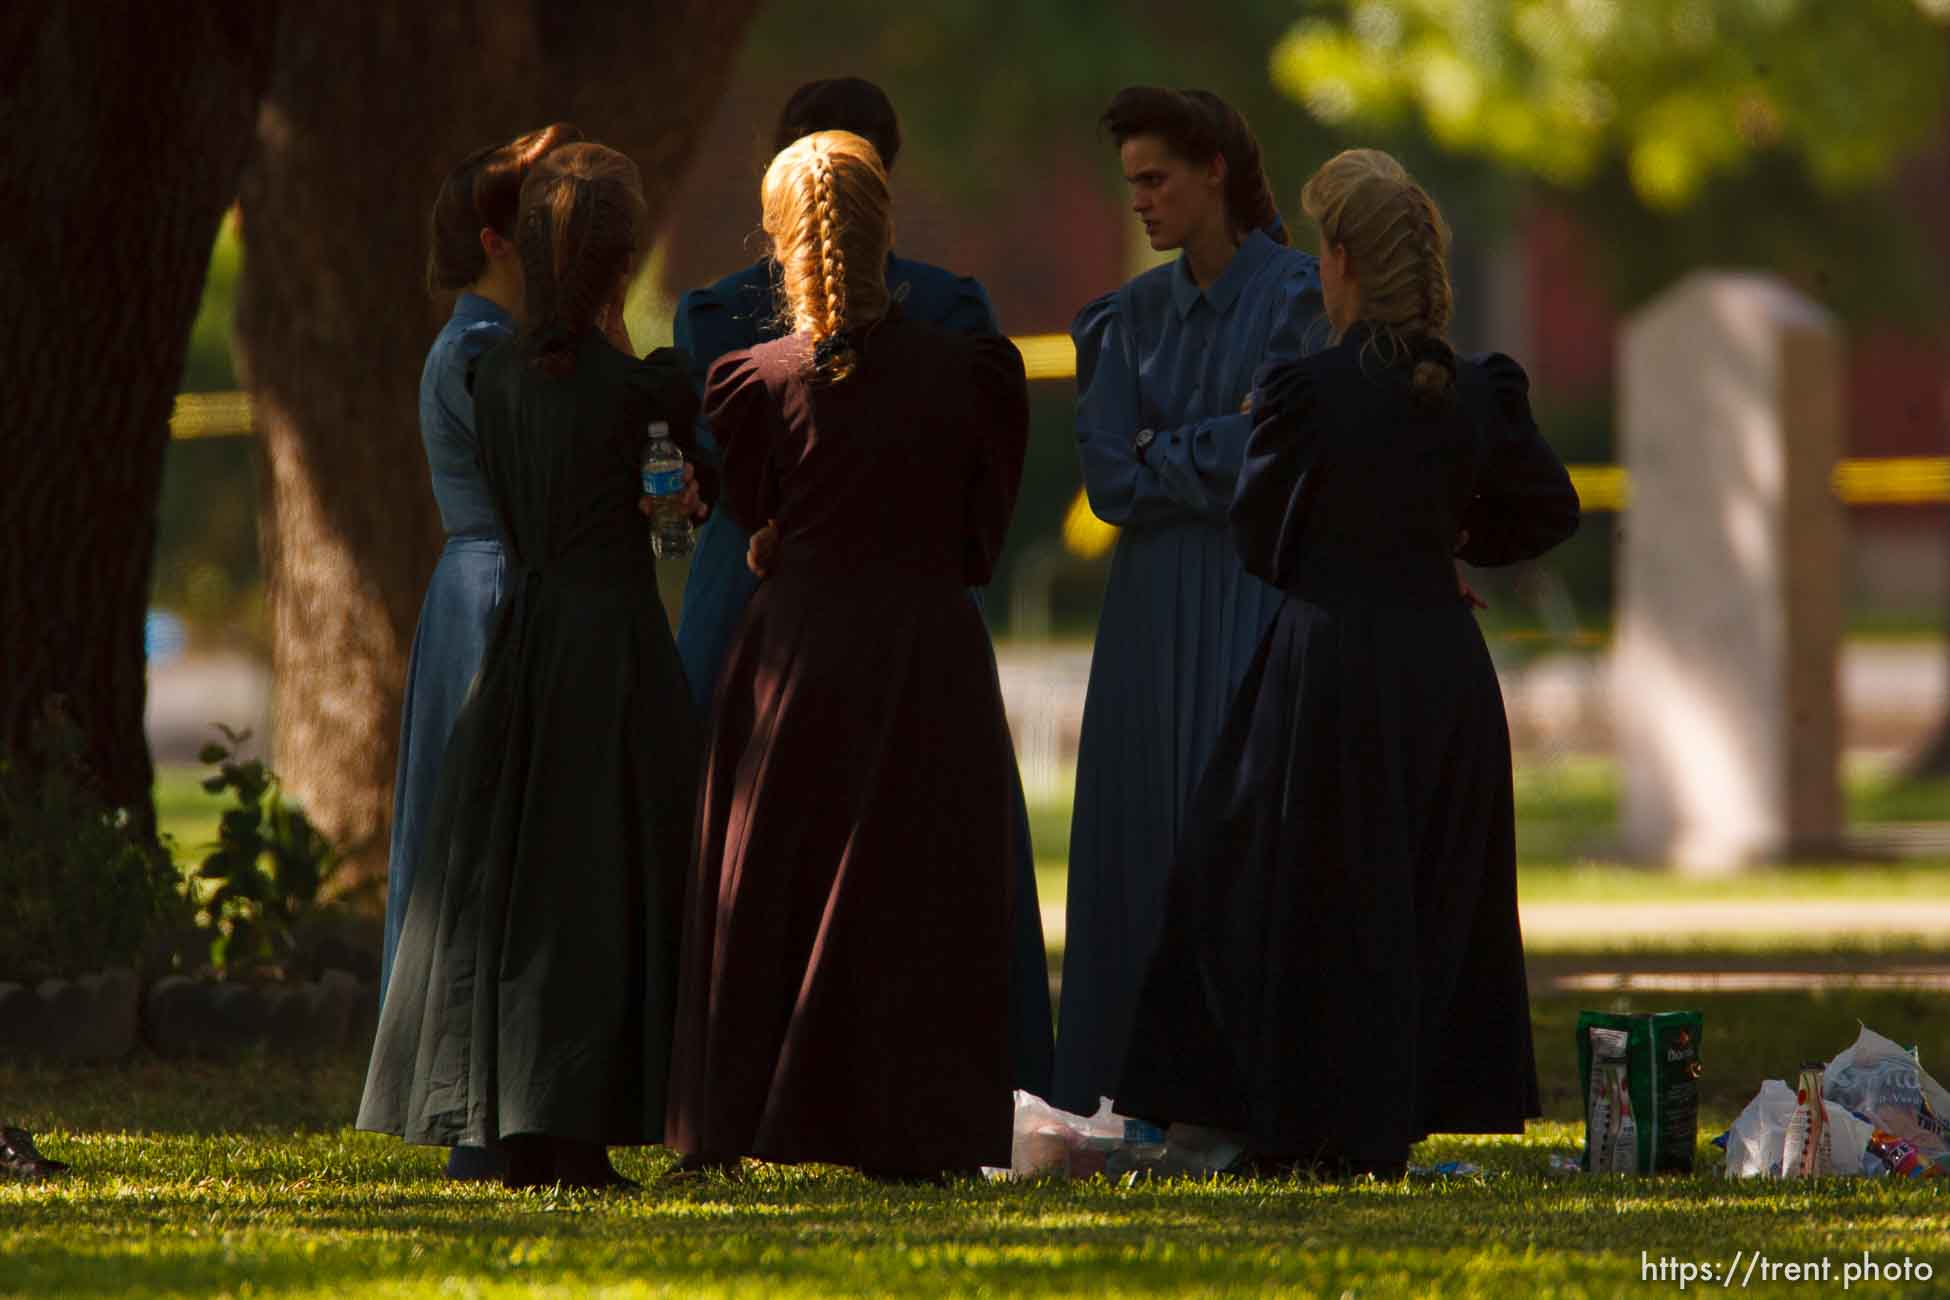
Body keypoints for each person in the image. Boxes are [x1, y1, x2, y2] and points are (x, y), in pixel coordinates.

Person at [1116, 149, 1581, 1177]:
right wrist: (1444, 547)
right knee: (1413, 889)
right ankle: (1394, 1112)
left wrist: (1358, 555)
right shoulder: (1473, 391)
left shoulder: (1309, 392)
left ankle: (1293, 1113)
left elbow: (1259, 537)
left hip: (1329, 663)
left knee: (1294, 883)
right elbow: (1549, 507)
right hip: (1441, 667)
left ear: (1341, 264)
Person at [672, 76, 1053, 1099]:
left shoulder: (741, 351)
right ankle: (914, 1095)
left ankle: (751, 1094)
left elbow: (742, 495)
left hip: (789, 622)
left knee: (765, 862)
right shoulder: (961, 348)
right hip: (906, 620)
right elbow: (979, 526)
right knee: (917, 862)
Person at [359, 143, 706, 1191]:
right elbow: (663, 528)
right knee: (601, 877)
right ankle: (583, 1118)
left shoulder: (495, 374)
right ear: (619, 265)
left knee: (510, 870)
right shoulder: (642, 387)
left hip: (525, 631)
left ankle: (504, 1121)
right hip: (609, 637)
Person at [1053, 87, 1324, 1116]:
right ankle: (1134, 1094)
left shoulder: (1300, 298)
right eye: (1130, 185)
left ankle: (1254, 1093)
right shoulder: (1124, 321)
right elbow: (1112, 485)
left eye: (1157, 178)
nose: (1142, 202)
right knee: (1138, 846)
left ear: (1217, 170)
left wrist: (1168, 445)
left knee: (1248, 839)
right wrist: (1217, 441)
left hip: (1257, 597)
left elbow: (1279, 455)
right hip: (1148, 618)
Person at [383, 121, 581, 1181]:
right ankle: (473, 1108)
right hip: (493, 592)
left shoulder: (492, 348)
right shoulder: (474, 354)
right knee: (477, 845)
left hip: (497, 583)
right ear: (501, 238)